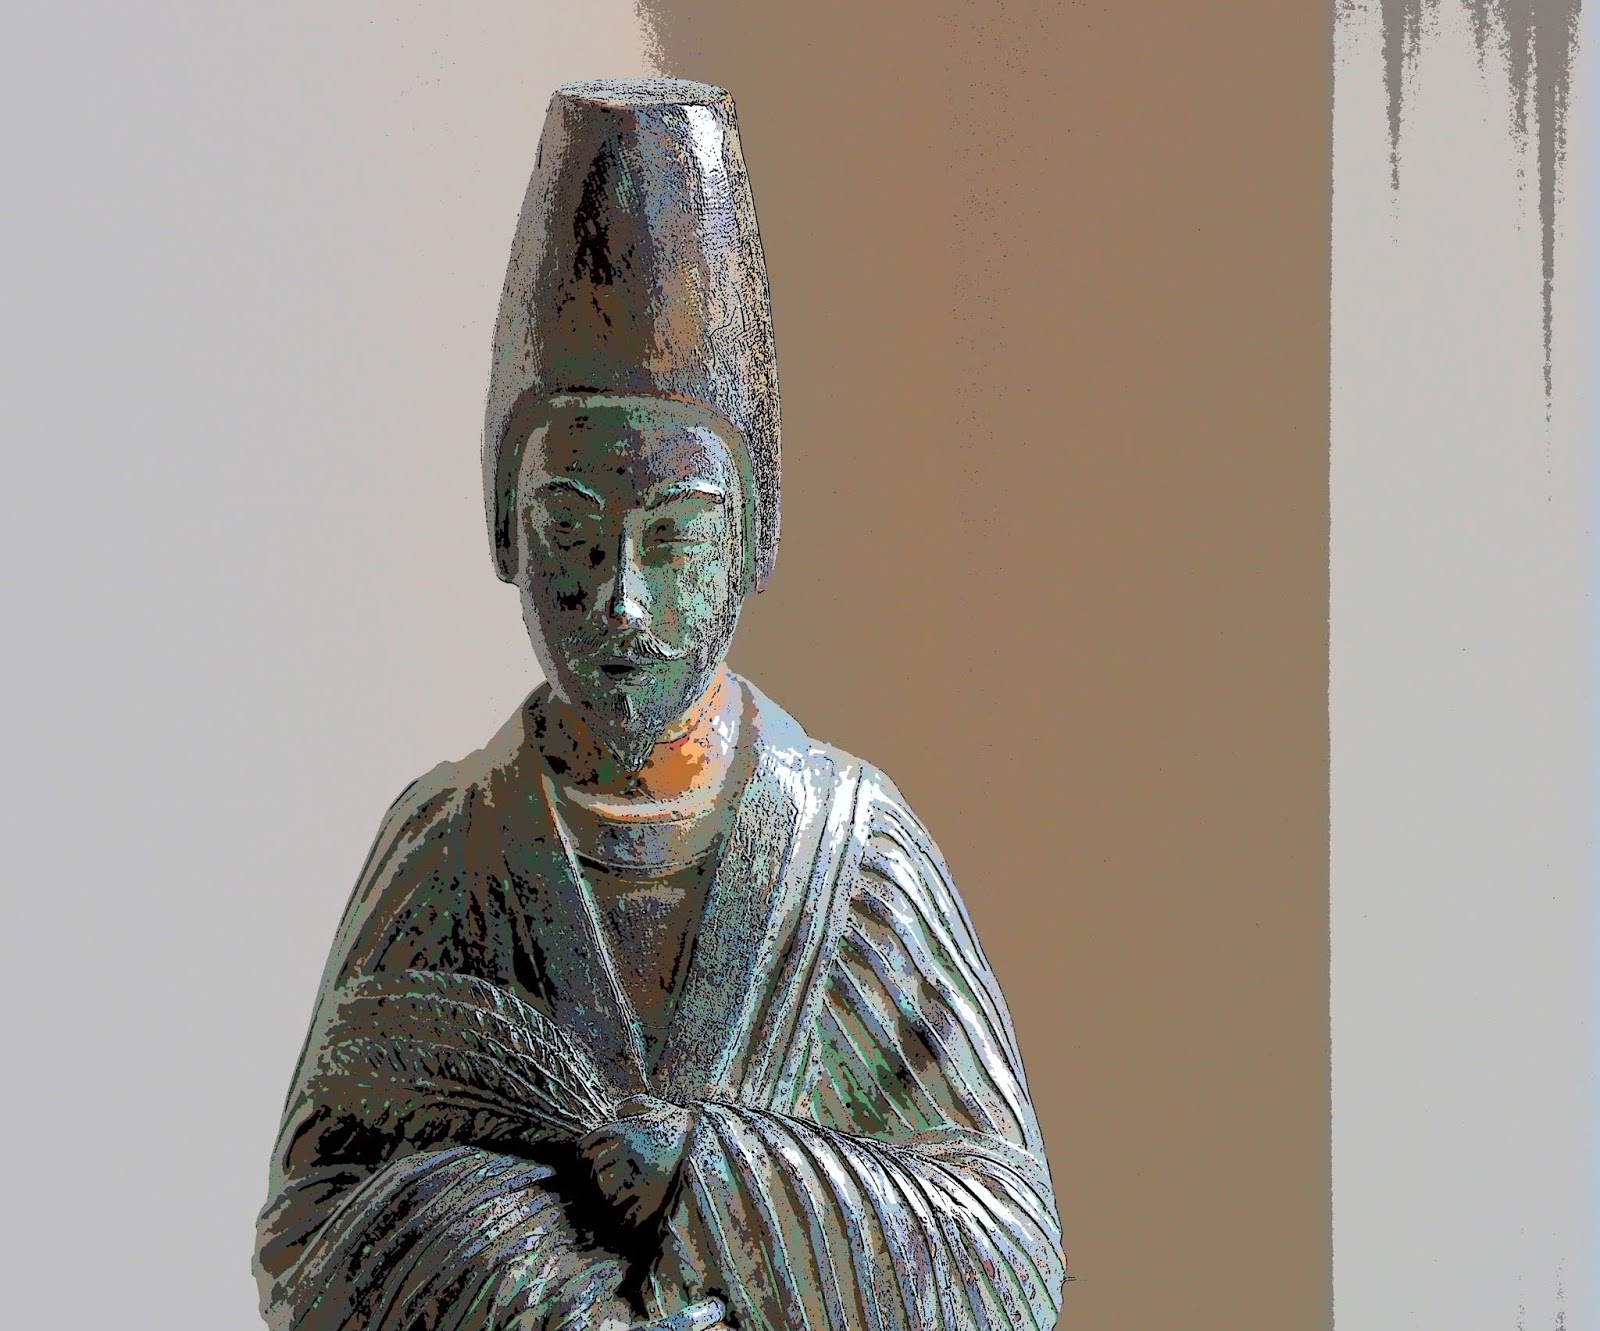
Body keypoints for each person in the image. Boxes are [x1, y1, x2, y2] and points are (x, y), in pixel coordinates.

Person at [254, 78, 1066, 1331]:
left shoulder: (851, 858)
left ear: (753, 541)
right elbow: (309, 1238)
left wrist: (714, 1173)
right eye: (572, 532)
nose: (623, 602)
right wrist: (540, 1289)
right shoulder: (449, 847)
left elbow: (1007, 1258)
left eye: (677, 535)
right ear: (505, 529)